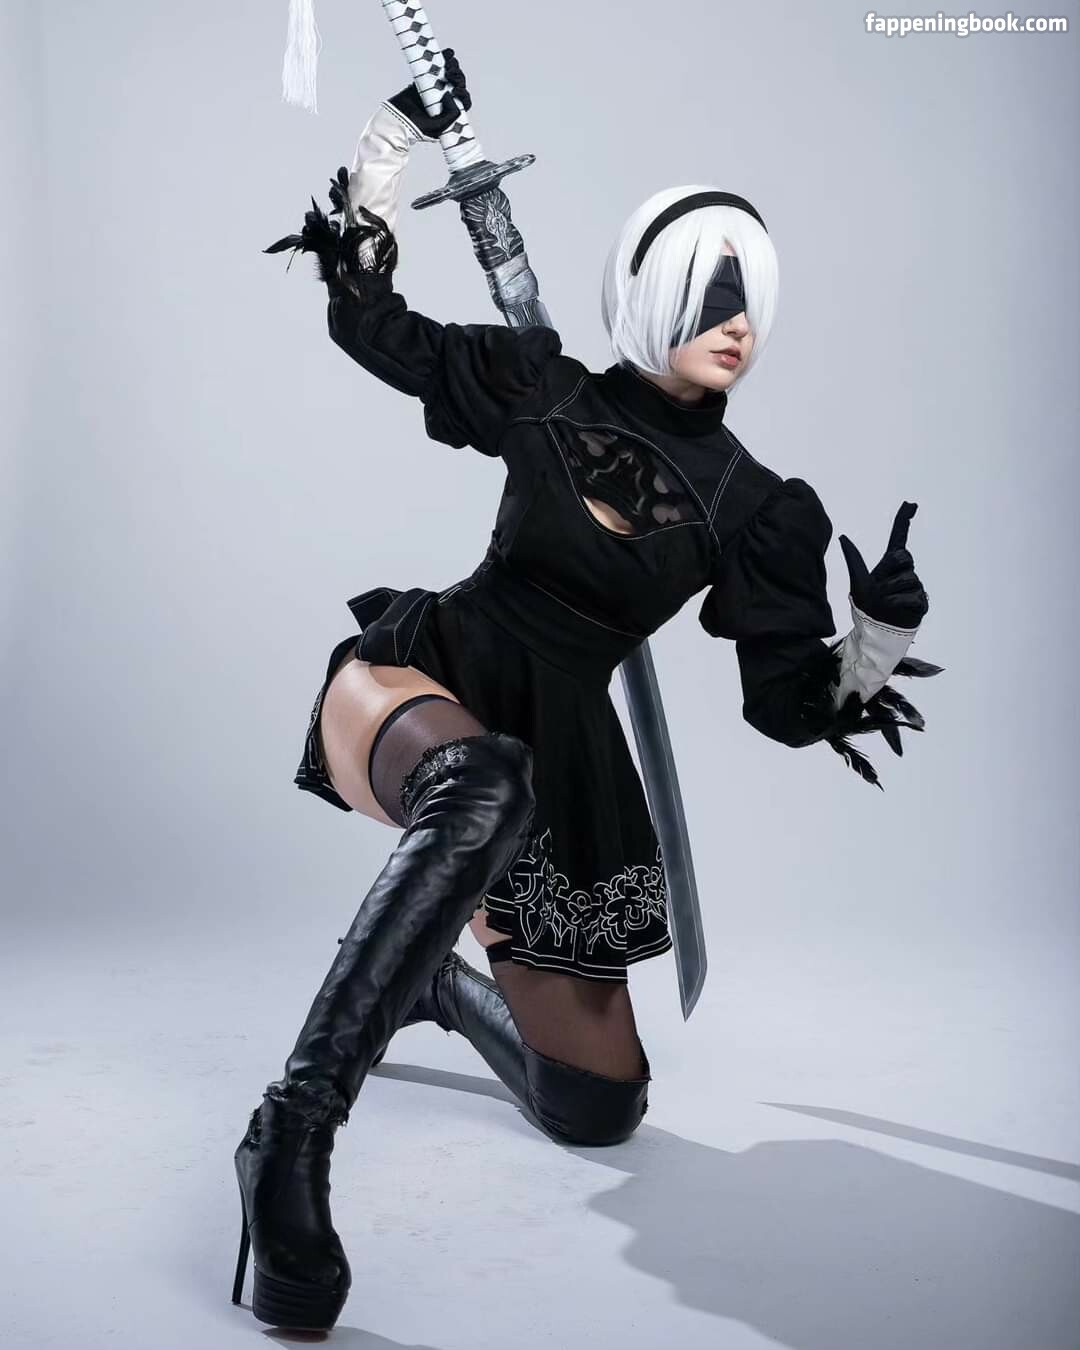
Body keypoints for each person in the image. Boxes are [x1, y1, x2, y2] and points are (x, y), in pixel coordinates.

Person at [232, 51, 940, 1331]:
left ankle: (439, 984)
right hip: (425, 677)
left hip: (570, 761)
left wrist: (876, 641)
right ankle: (288, 1136)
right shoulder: (540, 387)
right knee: (480, 781)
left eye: (753, 297)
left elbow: (786, 704)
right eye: (713, 290)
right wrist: (392, 142)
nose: (739, 320)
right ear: (654, 289)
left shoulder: (760, 509)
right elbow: (368, 322)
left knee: (600, 1105)